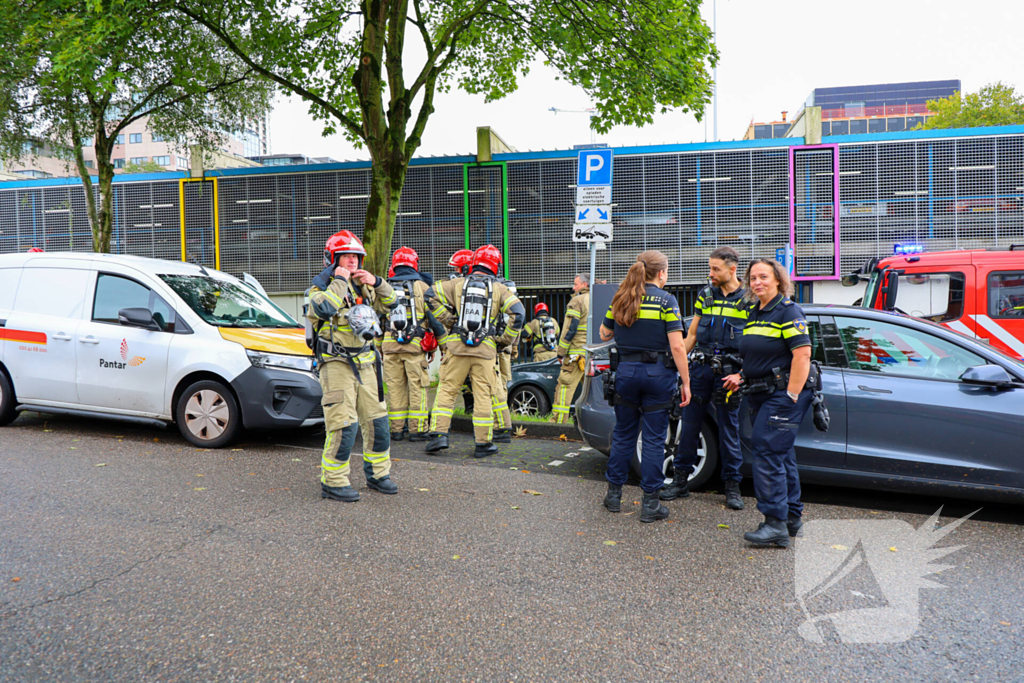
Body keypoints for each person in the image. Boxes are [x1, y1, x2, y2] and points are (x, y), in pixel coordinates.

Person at [722, 259, 813, 548]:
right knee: (781, 455)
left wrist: (792, 396)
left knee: (766, 451)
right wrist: (741, 374)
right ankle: (792, 518)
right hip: (761, 392)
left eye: (763, 277)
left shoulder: (788, 312)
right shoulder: (755, 312)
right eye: (753, 278)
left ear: (778, 281)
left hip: (783, 394)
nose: (757, 282)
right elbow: (760, 356)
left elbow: (802, 357)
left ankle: (774, 523)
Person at [306, 230, 399, 503]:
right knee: (344, 426)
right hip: (336, 364)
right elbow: (325, 309)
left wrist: (377, 282)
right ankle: (333, 482)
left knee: (379, 423)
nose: (352, 261)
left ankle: (378, 475)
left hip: (367, 363)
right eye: (345, 256)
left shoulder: (365, 288)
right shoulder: (317, 290)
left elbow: (393, 304)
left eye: (355, 257)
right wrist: (340, 280)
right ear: (332, 259)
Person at [599, 251, 691, 523]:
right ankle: (650, 504)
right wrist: (686, 381)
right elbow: (677, 345)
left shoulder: (621, 297)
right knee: (652, 439)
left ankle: (613, 496)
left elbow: (605, 333)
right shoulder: (667, 301)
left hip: (625, 374)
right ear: (661, 273)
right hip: (657, 376)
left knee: (624, 434)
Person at [661, 246, 748, 509]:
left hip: (729, 374)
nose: (710, 273)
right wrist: (674, 364)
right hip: (700, 369)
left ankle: (732, 487)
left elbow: (755, 345)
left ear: (732, 269)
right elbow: (692, 336)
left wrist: (742, 375)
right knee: (689, 427)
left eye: (715, 269)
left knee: (728, 430)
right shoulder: (706, 295)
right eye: (710, 268)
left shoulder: (749, 300)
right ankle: (680, 482)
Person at [424, 244, 525, 458]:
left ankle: (438, 436)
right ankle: (483, 444)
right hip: (485, 352)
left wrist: (449, 320)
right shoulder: (500, 289)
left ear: (474, 263)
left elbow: (429, 295)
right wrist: (504, 340)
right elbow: (519, 313)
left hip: (456, 349)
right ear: (496, 266)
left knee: (447, 391)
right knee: (483, 396)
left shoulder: (457, 283)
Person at [382, 246, 445, 443]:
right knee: (417, 387)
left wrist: (378, 346)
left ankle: (397, 430)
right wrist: (442, 346)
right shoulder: (423, 287)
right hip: (414, 347)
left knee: (395, 388)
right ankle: (417, 431)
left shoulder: (384, 287)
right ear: (414, 263)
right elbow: (435, 320)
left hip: (389, 347)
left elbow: (377, 319)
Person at [550, 273, 591, 424]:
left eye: (576, 284)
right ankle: (590, 424)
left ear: (585, 285)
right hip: (592, 354)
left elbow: (570, 329)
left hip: (576, 354)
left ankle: (558, 423)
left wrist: (561, 352)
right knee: (591, 392)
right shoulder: (600, 300)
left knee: (564, 387)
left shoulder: (577, 301)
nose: (573, 287)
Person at [491, 276, 519, 443]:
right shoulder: (509, 294)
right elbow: (517, 325)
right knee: (503, 384)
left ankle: (497, 423)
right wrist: (513, 347)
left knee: (494, 385)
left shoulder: (491, 292)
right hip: (506, 348)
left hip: (493, 345)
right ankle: (501, 420)